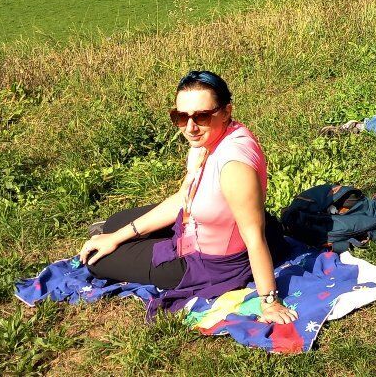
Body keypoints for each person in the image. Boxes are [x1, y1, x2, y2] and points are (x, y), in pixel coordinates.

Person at [78, 71, 297, 322]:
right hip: (196, 225)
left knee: (97, 263)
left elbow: (254, 237)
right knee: (116, 223)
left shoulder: (234, 167)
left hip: (207, 263)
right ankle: (117, 236)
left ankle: (133, 246)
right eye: (181, 117)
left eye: (202, 116)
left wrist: (269, 303)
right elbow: (184, 199)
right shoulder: (214, 139)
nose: (190, 127)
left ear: (226, 111)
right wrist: (117, 236)